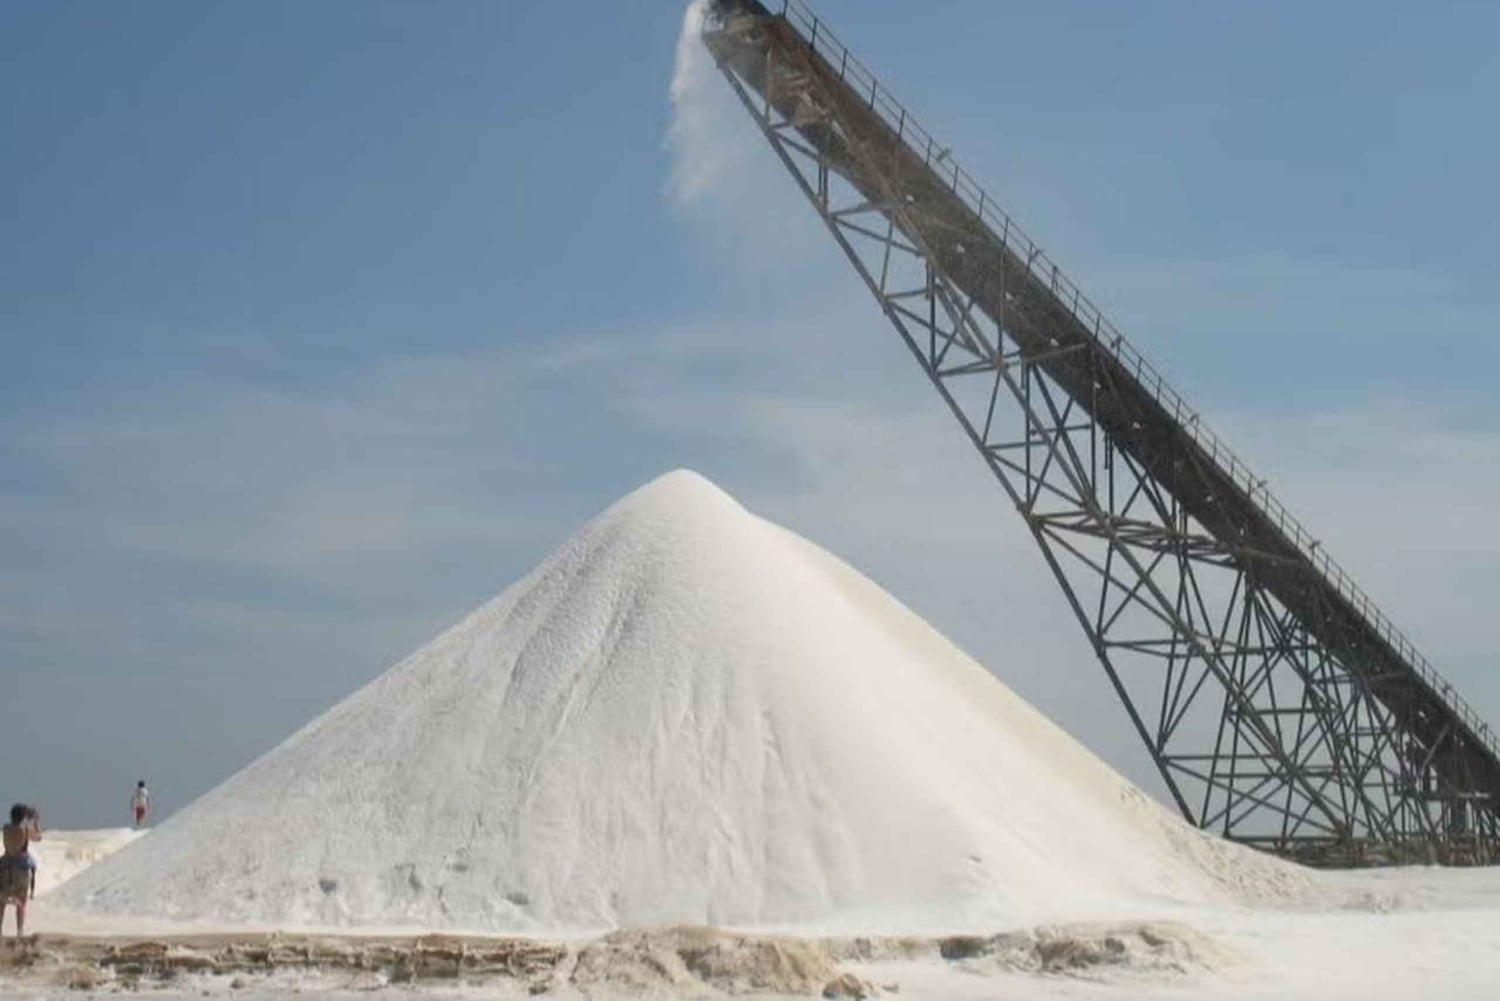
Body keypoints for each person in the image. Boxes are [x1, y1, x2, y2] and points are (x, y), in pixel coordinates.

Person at [1, 803, 42, 943]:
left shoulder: (6, 828)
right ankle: (19, 932)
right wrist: (35, 821)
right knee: (21, 902)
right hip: (20, 867)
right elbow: (38, 837)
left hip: (5, 865)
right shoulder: (25, 829)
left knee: (1, 902)